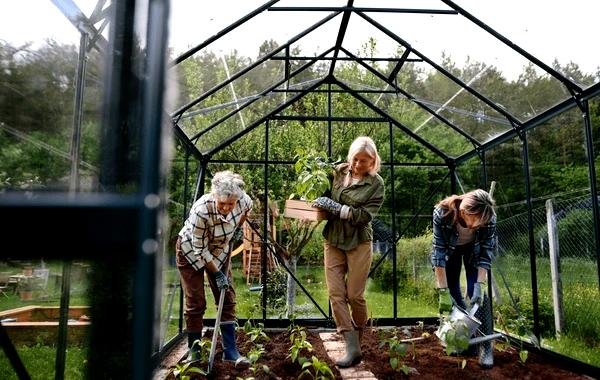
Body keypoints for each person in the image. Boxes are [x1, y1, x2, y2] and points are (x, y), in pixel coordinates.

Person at [312, 136, 385, 368]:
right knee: (336, 293)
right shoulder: (338, 172)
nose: (357, 165)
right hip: (333, 239)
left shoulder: (376, 184)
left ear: (373, 161)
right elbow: (321, 190)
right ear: (350, 156)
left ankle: (359, 332)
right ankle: (351, 344)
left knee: (354, 295)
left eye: (364, 161)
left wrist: (337, 207)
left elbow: (364, 217)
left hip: (358, 242)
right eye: (355, 159)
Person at [176, 170, 251, 366]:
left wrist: (235, 232)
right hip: (190, 252)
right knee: (196, 301)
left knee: (226, 297)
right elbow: (200, 250)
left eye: (230, 204)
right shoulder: (201, 210)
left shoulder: (243, 201)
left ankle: (230, 352)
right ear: (215, 196)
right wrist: (217, 273)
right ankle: (195, 352)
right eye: (222, 203)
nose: (226, 208)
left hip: (219, 251)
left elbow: (245, 212)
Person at [431, 189, 496, 314]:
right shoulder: (442, 213)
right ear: (464, 212)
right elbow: (438, 253)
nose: (479, 224)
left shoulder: (489, 217)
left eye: (483, 222)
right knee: (452, 289)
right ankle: (459, 327)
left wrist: (480, 285)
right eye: (476, 219)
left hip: (473, 250)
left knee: (475, 293)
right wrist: (443, 291)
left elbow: (486, 253)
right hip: (450, 252)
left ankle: (481, 330)